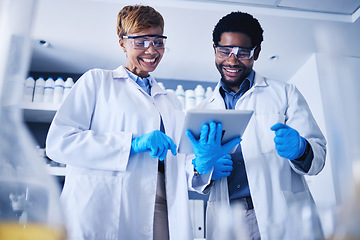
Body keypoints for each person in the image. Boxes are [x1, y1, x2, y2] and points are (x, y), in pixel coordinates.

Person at [46, 5, 194, 240]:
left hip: (161, 211)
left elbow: (179, 163)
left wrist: (203, 163)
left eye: (158, 41)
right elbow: (59, 143)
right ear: (122, 43)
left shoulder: (171, 102)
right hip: (104, 210)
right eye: (140, 42)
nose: (151, 50)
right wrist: (131, 144)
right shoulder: (96, 82)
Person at [186, 11, 327, 240]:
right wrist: (203, 167)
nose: (232, 60)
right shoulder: (201, 109)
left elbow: (318, 156)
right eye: (225, 51)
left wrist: (302, 150)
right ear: (215, 50)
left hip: (281, 215)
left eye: (243, 53)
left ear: (256, 53)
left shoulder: (285, 94)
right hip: (228, 221)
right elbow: (189, 176)